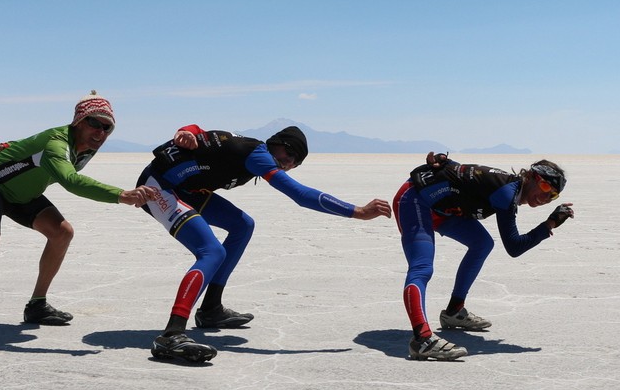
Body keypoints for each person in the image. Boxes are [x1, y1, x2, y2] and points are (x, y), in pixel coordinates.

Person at [0, 91, 159, 353]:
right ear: (78, 121)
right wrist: (121, 195)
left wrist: (5, 147)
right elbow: (71, 181)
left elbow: (30, 142)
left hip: (23, 195)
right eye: (94, 123)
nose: (100, 132)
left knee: (62, 233)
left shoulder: (84, 148)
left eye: (107, 127)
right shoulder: (59, 145)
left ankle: (37, 305)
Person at [138, 124, 393, 363]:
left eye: (297, 162)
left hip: (186, 190)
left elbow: (207, 138)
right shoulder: (257, 154)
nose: (290, 162)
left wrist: (189, 130)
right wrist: (356, 211)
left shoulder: (251, 151)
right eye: (290, 153)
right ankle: (171, 334)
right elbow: (300, 195)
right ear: (274, 144)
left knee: (242, 226)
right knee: (211, 252)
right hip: (157, 188)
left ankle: (211, 309)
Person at [394, 152, 574, 361]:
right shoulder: (506, 193)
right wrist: (550, 224)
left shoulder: (510, 188)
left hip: (441, 209)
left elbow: (466, 174)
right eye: (545, 188)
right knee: (422, 268)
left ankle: (454, 311)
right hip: (414, 200)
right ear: (532, 177)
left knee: (482, 244)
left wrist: (446, 162)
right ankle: (422, 339)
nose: (545, 198)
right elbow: (514, 247)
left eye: (553, 196)